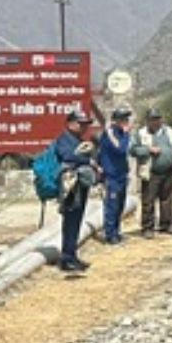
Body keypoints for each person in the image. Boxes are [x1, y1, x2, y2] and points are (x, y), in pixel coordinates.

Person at [53, 110, 97, 273]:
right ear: (71, 123)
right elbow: (67, 156)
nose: (84, 127)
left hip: (80, 184)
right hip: (70, 185)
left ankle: (72, 254)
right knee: (70, 220)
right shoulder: (64, 139)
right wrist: (87, 160)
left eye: (86, 124)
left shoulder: (78, 140)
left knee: (77, 219)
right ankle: (66, 258)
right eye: (81, 124)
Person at [130, 108, 172, 236]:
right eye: (153, 119)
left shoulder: (169, 132)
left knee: (167, 200)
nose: (156, 122)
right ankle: (147, 227)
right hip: (151, 172)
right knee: (148, 201)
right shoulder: (141, 134)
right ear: (147, 121)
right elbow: (132, 150)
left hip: (168, 172)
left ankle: (166, 225)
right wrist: (148, 150)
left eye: (158, 119)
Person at [96, 108, 134, 245]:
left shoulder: (120, 133)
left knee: (120, 206)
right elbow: (120, 149)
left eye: (127, 119)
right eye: (123, 119)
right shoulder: (110, 134)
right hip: (111, 175)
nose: (126, 122)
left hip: (121, 174)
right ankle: (110, 235)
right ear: (116, 120)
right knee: (112, 206)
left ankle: (117, 232)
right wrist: (125, 134)